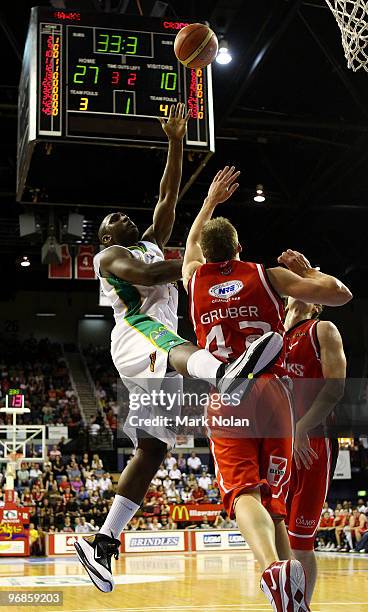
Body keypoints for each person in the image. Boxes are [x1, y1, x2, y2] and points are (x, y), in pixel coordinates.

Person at [74, 104, 270, 593]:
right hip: (136, 336)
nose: (120, 215)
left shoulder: (151, 241)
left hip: (148, 355)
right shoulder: (110, 256)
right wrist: (192, 267)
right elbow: (142, 278)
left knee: (154, 448)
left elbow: (167, 193)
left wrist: (177, 140)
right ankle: (225, 373)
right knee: (177, 342)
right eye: (111, 218)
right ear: (105, 238)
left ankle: (102, 543)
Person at [182, 166, 352, 612]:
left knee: (243, 494)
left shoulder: (195, 279)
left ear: (204, 250)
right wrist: (309, 271)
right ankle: (291, 596)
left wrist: (209, 201)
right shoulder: (269, 276)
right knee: (275, 504)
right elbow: (341, 294)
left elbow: (190, 249)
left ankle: (271, 569)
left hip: (229, 397)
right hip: (276, 395)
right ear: (240, 247)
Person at [283, 296, 346, 602]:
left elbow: (335, 387)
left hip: (311, 444)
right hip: (274, 446)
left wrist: (302, 426)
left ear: (316, 304)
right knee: (275, 539)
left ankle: (301, 606)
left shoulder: (322, 329)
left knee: (301, 543)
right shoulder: (269, 335)